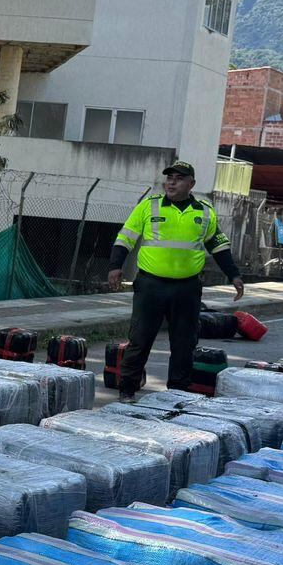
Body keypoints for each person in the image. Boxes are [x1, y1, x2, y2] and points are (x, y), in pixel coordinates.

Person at [107, 161, 245, 398]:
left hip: (187, 288)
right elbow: (125, 238)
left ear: (191, 183)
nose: (171, 182)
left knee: (184, 344)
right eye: (169, 177)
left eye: (178, 178)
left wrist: (233, 274)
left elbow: (218, 245)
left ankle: (176, 395)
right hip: (151, 285)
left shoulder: (204, 211)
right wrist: (114, 266)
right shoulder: (148, 207)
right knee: (140, 339)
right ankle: (127, 390)